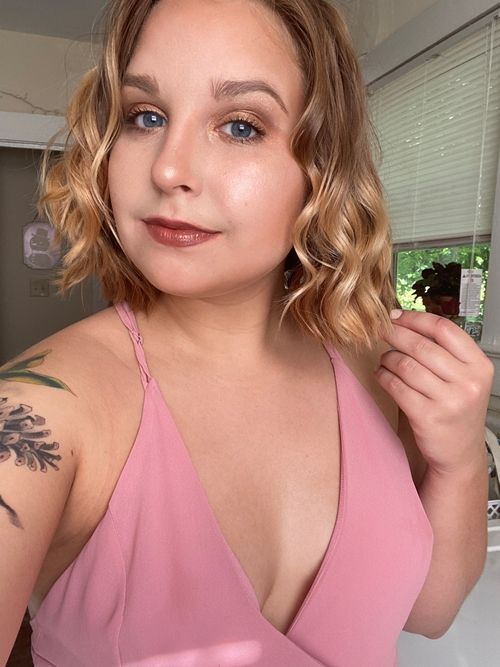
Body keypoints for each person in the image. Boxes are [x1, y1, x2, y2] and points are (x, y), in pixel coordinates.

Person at [0, 0, 494, 665]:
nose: (168, 168)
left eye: (240, 125)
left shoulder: (381, 367)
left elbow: (428, 611)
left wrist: (460, 461)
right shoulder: (40, 413)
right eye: (145, 116)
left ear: (322, 167)